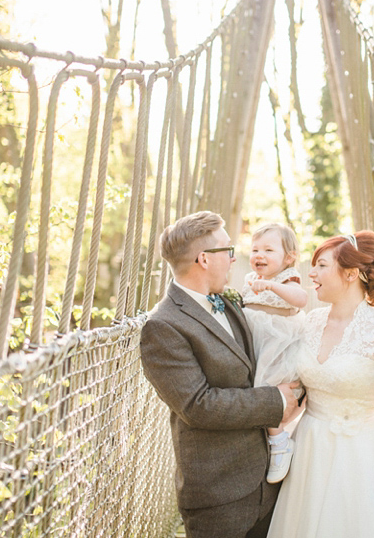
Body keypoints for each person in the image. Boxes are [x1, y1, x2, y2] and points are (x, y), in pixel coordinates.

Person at [139, 211, 302, 538]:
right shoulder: (163, 326)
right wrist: (275, 400)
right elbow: (198, 405)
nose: (234, 259)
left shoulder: (230, 302)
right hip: (220, 497)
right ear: (203, 259)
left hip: (269, 486)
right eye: (228, 250)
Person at [266, 231, 374, 538]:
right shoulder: (309, 322)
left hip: (364, 457)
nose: (311, 273)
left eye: (321, 265)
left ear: (350, 274)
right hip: (309, 451)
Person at [239, 223, 309, 484]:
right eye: (255, 249)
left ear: (288, 258)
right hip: (256, 343)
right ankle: (262, 440)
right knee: (251, 388)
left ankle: (279, 440)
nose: (260, 255)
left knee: (267, 387)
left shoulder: (287, 278)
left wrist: (271, 287)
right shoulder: (249, 278)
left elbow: (301, 299)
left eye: (269, 250)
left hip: (279, 345)